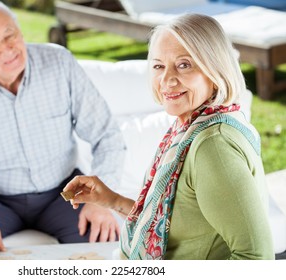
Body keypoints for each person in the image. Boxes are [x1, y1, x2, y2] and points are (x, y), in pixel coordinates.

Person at [63, 13, 275, 260]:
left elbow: (257, 259)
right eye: (158, 66)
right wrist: (111, 200)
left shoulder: (213, 145)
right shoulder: (191, 127)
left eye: (184, 64)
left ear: (215, 70)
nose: (167, 80)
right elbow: (170, 227)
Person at [0, 1, 126, 260]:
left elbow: (107, 135)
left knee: (106, 238)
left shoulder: (59, 63)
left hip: (64, 191)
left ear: (20, 31)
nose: (7, 48)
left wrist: (99, 201)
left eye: (10, 35)